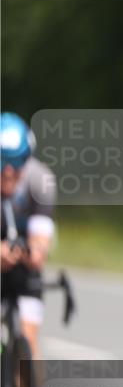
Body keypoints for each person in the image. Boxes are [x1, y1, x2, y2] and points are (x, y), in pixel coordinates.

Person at [0, 112, 57, 362]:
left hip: (21, 259)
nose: (10, 171)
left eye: (18, 162)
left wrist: (36, 251)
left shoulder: (40, 179)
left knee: (28, 347)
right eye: (2, 163)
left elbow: (41, 236)